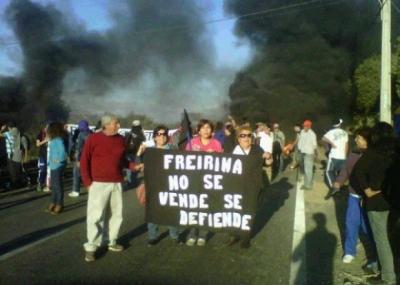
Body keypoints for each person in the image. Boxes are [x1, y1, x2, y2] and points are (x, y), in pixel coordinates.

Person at [350, 122, 397, 285]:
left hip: (377, 204)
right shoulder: (396, 151)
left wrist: (368, 190)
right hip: (394, 203)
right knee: (392, 239)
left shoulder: (373, 152)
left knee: (381, 240)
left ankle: (388, 277)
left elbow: (357, 173)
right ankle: (381, 268)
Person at [80, 114, 129, 262]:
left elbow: (123, 161)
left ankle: (111, 241)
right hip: (98, 183)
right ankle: (91, 247)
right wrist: (88, 182)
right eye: (116, 123)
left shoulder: (121, 140)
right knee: (96, 216)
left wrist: (135, 166)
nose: (119, 126)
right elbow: (84, 161)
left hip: (117, 182)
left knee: (117, 214)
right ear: (106, 125)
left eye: (118, 123)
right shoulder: (93, 139)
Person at [328, 127, 377, 269]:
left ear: (368, 141)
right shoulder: (354, 153)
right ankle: (350, 251)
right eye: (356, 137)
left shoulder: (373, 155)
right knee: (351, 223)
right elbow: (346, 170)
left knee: (369, 227)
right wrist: (339, 181)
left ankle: (374, 256)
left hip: (369, 198)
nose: (356, 139)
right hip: (353, 195)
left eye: (359, 138)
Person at [138, 125, 181, 246]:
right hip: (153, 184)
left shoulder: (173, 149)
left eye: (164, 134)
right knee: (153, 211)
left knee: (171, 210)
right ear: (155, 137)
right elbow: (140, 167)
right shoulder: (149, 151)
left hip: (170, 184)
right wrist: (140, 154)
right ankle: (153, 236)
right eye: (159, 134)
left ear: (167, 136)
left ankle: (174, 235)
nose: (161, 136)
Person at [185, 119, 223, 246]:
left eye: (208, 128)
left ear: (212, 130)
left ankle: (202, 234)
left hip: (210, 182)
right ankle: (192, 234)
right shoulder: (192, 143)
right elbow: (183, 160)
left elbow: (224, 163)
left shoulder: (216, 143)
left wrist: (216, 155)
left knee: (206, 208)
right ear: (198, 130)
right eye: (203, 128)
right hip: (194, 181)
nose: (206, 130)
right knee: (193, 208)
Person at [228, 125, 265, 248]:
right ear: (238, 138)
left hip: (252, 187)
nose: (246, 138)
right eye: (242, 135)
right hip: (235, 187)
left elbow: (268, 163)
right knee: (234, 211)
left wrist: (269, 157)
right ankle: (233, 235)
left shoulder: (257, 150)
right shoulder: (232, 150)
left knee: (248, 213)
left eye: (249, 135)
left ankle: (245, 237)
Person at [46, 122, 67, 214]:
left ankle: (60, 204)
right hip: (53, 165)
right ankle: (53, 203)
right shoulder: (54, 139)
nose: (48, 130)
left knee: (57, 186)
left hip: (58, 166)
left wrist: (59, 160)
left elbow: (63, 152)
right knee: (54, 185)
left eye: (49, 129)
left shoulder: (58, 140)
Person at [323, 119, 348, 195]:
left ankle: (334, 187)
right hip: (342, 156)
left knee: (329, 171)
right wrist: (345, 156)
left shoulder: (331, 132)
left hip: (334, 156)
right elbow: (346, 146)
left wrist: (331, 143)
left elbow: (323, 138)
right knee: (340, 173)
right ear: (340, 124)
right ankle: (340, 186)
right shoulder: (345, 133)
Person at [0, 122, 28, 189]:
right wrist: (26, 157)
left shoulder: (9, 133)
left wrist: (1, 129)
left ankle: (15, 184)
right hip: (18, 154)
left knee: (12, 171)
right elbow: (25, 146)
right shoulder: (19, 132)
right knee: (18, 169)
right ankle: (20, 183)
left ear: (9, 127)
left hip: (11, 154)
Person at [69, 120, 92, 198]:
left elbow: (79, 148)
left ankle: (76, 191)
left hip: (82, 157)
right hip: (91, 157)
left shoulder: (81, 135)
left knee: (76, 173)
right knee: (89, 174)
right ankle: (91, 190)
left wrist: (78, 159)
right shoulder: (92, 133)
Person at [298, 120, 317, 190]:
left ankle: (308, 185)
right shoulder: (302, 131)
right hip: (302, 152)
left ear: (309, 126)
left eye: (306, 126)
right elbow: (300, 140)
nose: (304, 127)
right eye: (304, 126)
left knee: (308, 170)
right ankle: (306, 183)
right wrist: (299, 149)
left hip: (309, 153)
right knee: (304, 169)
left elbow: (315, 145)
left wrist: (315, 154)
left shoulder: (312, 134)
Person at [36, 125, 49, 192]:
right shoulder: (40, 134)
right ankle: (40, 183)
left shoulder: (51, 134)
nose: (47, 129)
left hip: (50, 155)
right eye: (46, 128)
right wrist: (45, 141)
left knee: (49, 171)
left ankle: (47, 185)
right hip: (42, 155)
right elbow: (37, 144)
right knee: (42, 169)